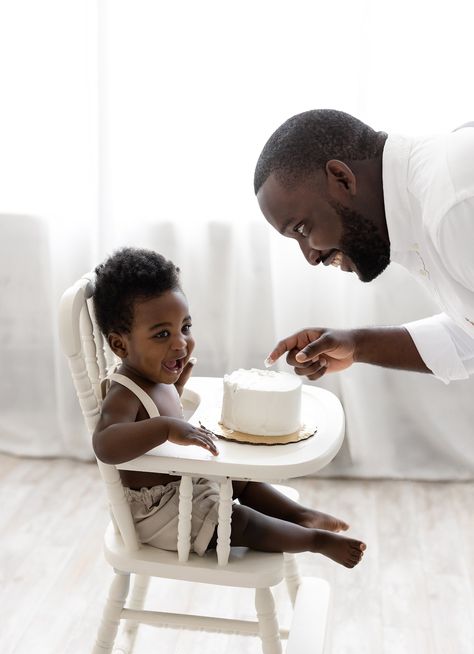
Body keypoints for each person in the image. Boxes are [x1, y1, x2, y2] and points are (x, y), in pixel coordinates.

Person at [92, 246, 366, 567]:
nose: (180, 342)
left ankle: (300, 516)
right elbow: (106, 444)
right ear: (120, 344)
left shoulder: (153, 375)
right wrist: (166, 428)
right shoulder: (123, 392)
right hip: (157, 514)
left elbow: (159, 409)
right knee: (238, 520)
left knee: (242, 479)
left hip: (181, 483)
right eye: (163, 334)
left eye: (186, 327)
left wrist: (176, 389)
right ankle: (313, 541)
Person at [254, 109, 474, 384]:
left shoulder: (453, 208)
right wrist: (356, 345)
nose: (310, 257)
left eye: (301, 228)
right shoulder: (427, 195)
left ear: (341, 178)